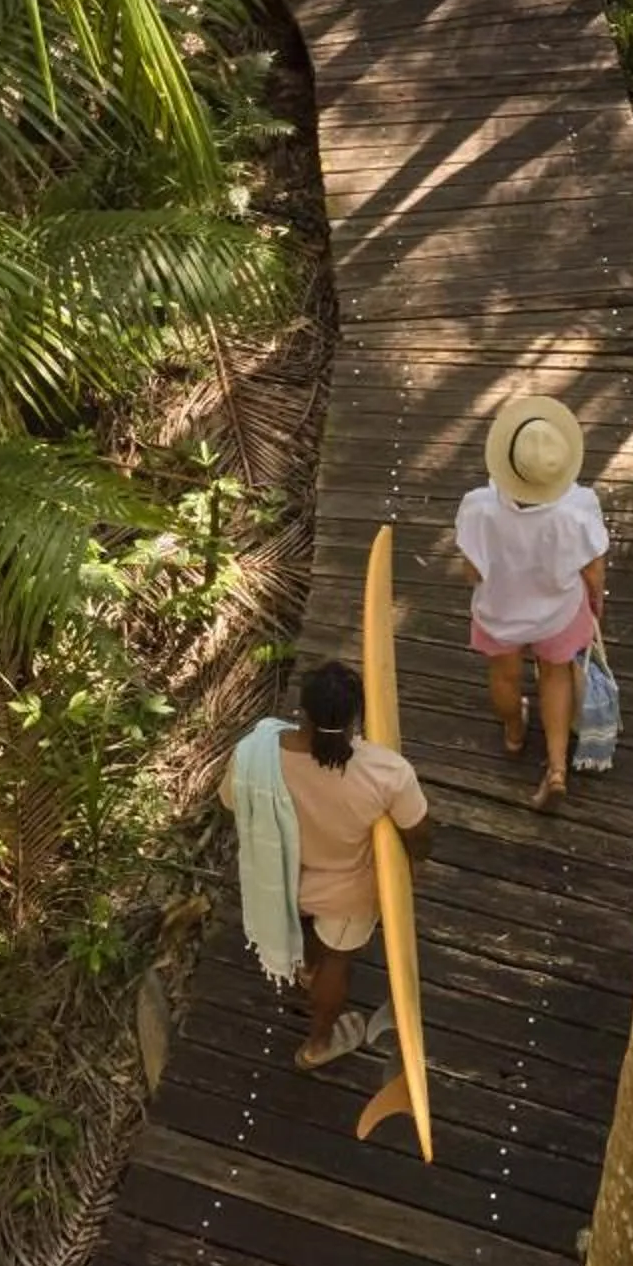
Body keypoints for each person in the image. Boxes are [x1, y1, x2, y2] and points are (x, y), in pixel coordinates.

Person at [224, 662, 433, 1069]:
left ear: (301, 712)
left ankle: (304, 968)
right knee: (337, 962)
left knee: (304, 929)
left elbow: (230, 802)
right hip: (346, 892)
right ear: (357, 719)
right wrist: (415, 864)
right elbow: (419, 833)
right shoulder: (387, 773)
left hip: (282, 875)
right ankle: (318, 1044)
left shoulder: (256, 752)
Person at [457, 393, 609, 811]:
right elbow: (593, 572)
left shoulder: (478, 508)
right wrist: (595, 604)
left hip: (500, 612)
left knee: (505, 677)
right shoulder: (579, 508)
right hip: (557, 613)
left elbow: (472, 572)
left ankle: (513, 735)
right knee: (555, 676)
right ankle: (557, 768)